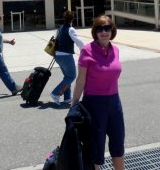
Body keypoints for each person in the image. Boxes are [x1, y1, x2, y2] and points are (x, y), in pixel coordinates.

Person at [71, 15, 125, 170]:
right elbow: (80, 80)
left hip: (114, 103)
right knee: (96, 145)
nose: (104, 32)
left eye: (107, 28)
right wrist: (74, 105)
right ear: (95, 31)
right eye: (100, 29)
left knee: (118, 141)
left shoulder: (115, 49)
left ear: (112, 30)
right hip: (94, 104)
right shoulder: (87, 51)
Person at [50, 10, 84, 105]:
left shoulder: (60, 28)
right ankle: (55, 93)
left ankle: (67, 97)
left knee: (67, 77)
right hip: (66, 56)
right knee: (71, 76)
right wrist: (85, 52)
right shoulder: (71, 29)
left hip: (57, 56)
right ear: (72, 19)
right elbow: (79, 42)